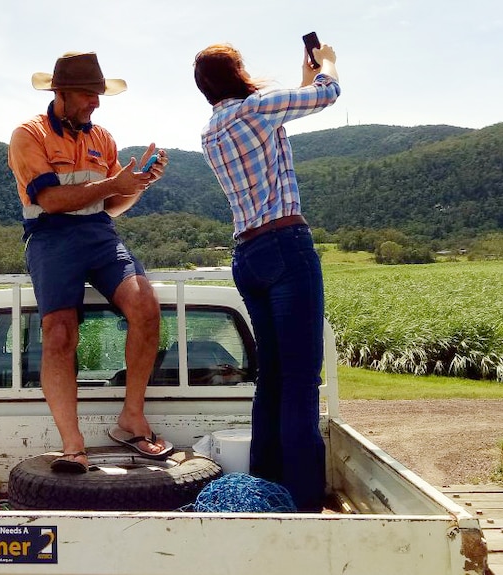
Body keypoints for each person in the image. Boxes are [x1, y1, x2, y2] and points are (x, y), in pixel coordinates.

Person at [8, 51, 173, 473]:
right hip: (50, 235)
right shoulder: (29, 134)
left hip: (100, 233)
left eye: (99, 95)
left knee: (145, 307)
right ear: (62, 92)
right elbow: (50, 199)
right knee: (59, 333)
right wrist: (114, 182)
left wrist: (141, 184)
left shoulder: (103, 139)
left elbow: (114, 203)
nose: (96, 103)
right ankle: (73, 446)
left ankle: (132, 421)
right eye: (88, 94)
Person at [192, 41, 340, 511]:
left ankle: (268, 489)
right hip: (285, 244)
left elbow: (284, 107)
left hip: (247, 254)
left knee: (273, 377)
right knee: (300, 379)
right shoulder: (257, 107)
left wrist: (303, 75)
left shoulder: (212, 129)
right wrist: (326, 62)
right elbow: (328, 93)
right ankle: (304, 499)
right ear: (237, 72)